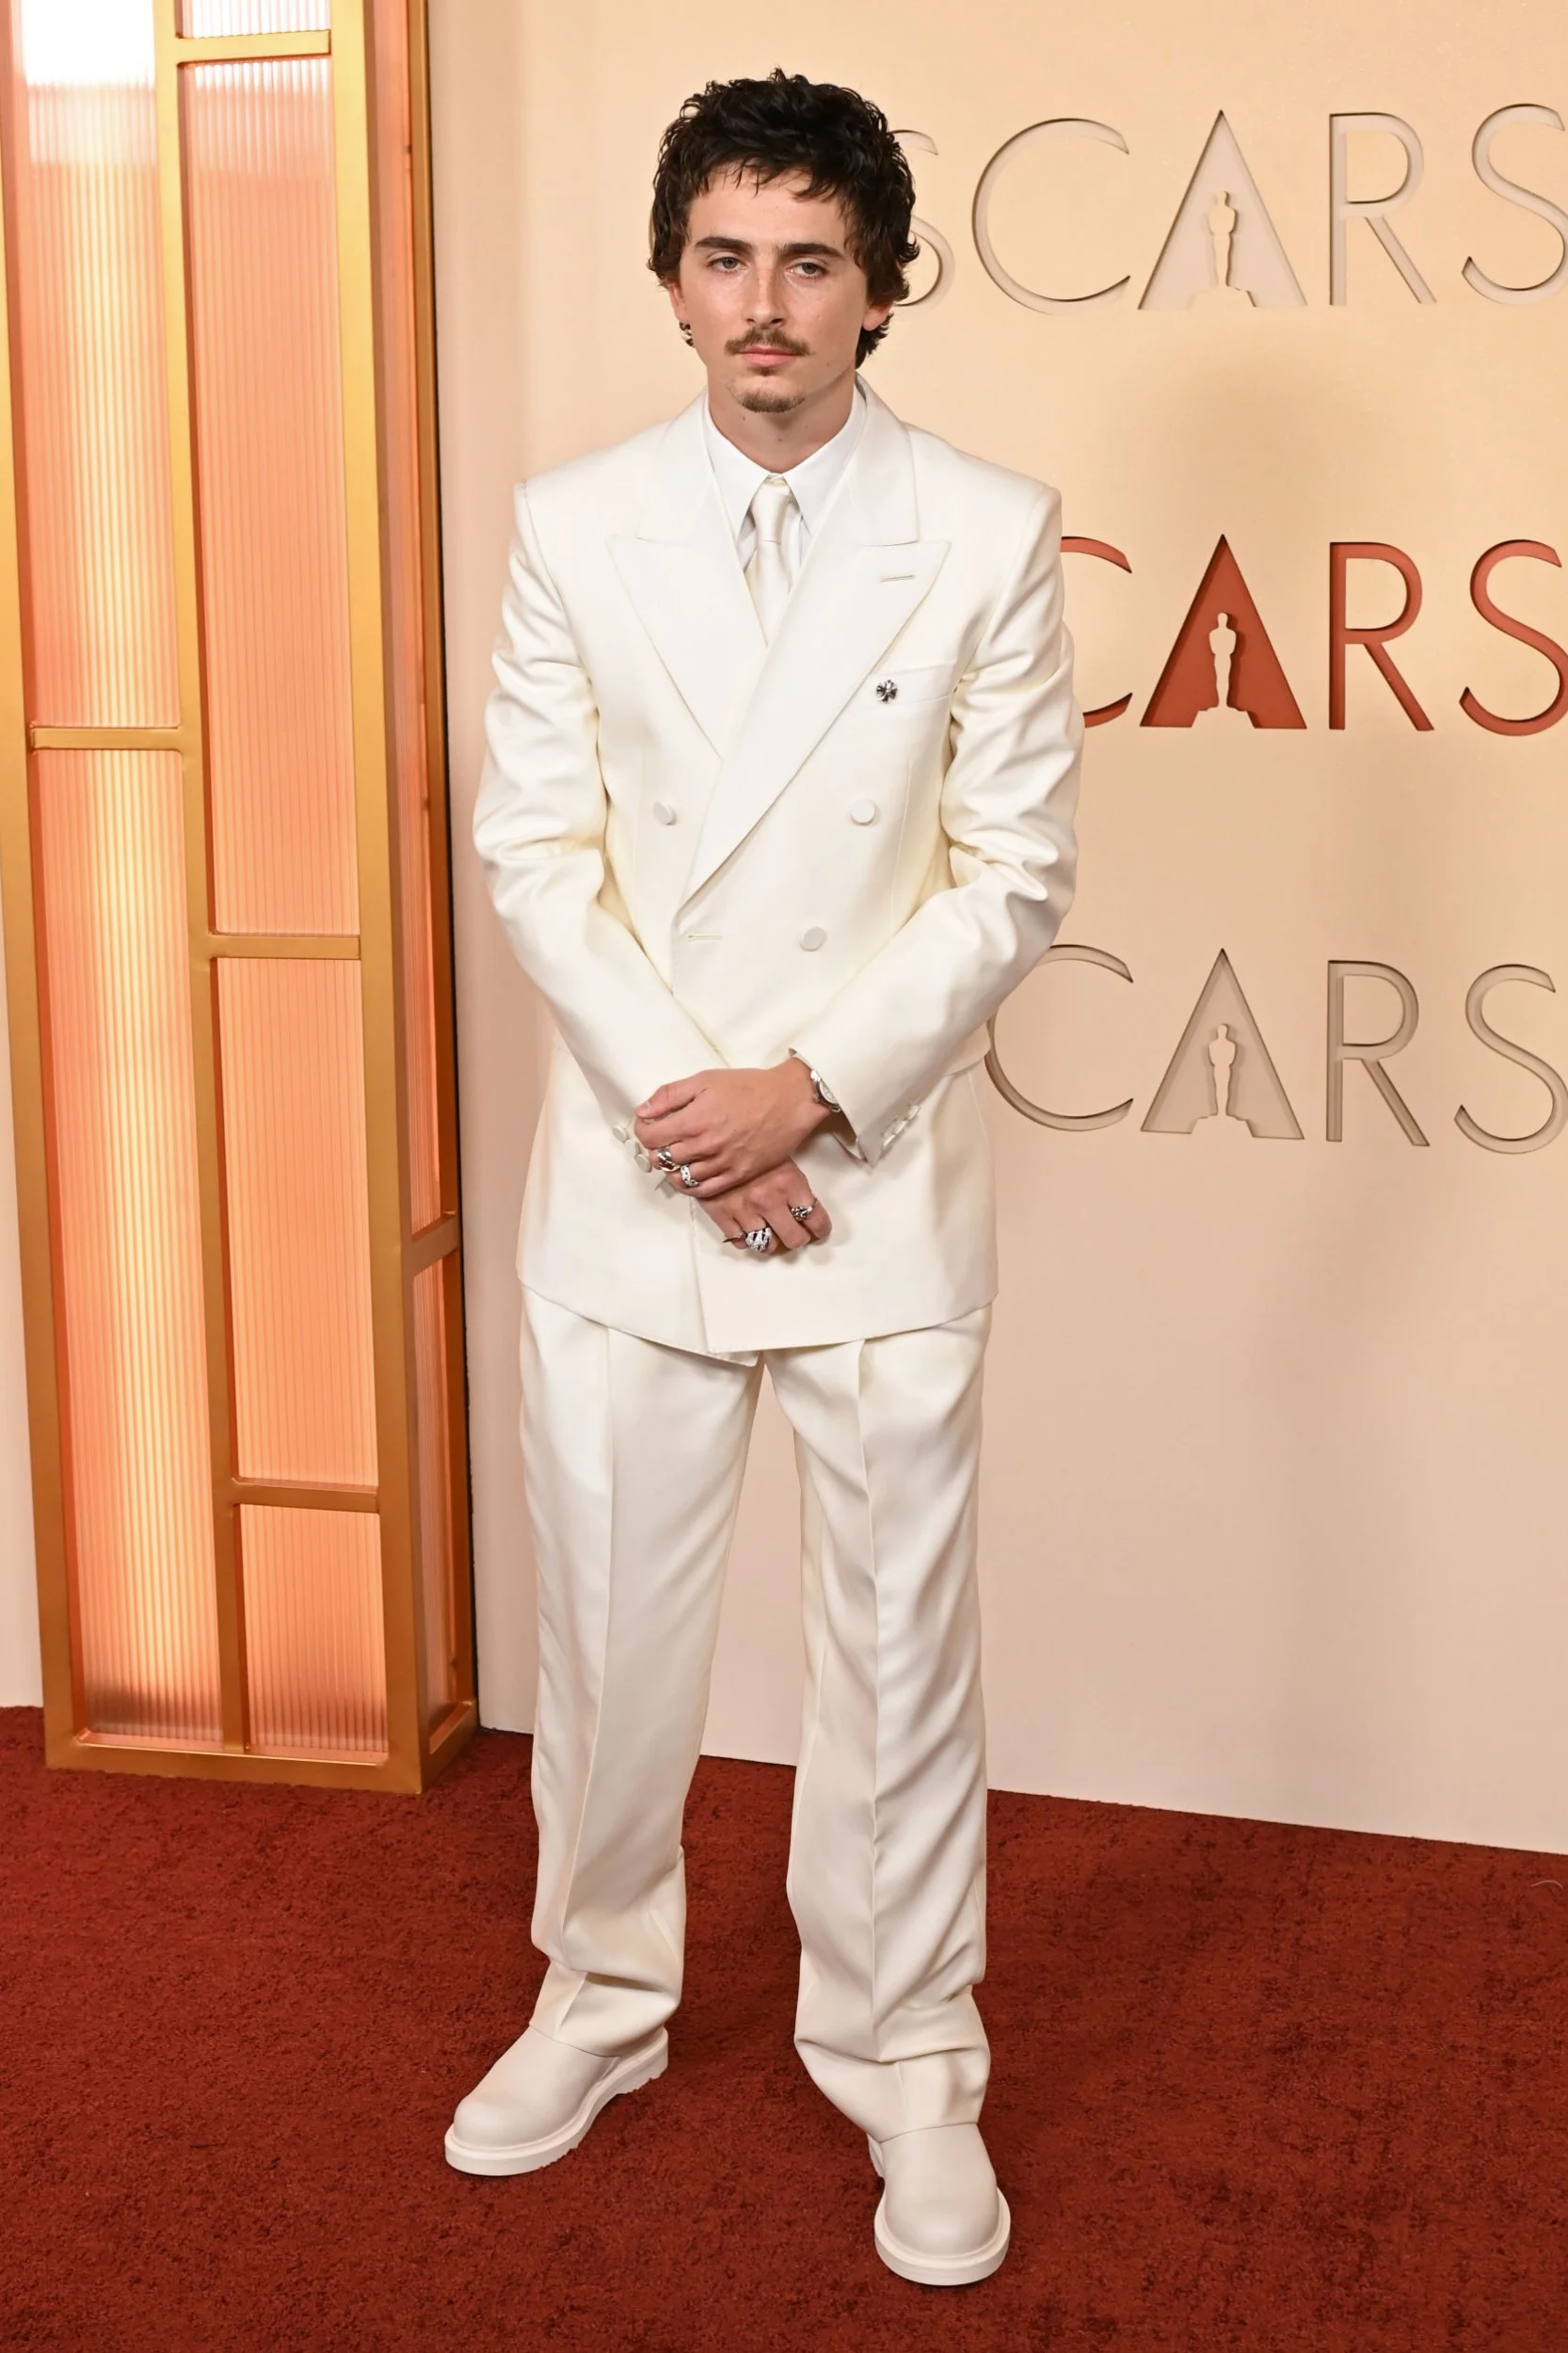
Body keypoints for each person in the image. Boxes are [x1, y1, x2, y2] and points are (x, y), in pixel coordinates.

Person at [455, 69, 1081, 2288]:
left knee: (900, 1654)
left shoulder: (989, 526)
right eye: (724, 255)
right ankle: (597, 1996)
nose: (763, 303)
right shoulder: (571, 520)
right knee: (614, 1641)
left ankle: (911, 2057)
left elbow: (1010, 878)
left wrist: (805, 1091)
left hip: (876, 1175)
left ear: (879, 290)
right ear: (668, 282)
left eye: (809, 258)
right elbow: (533, 850)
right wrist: (687, 1112)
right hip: (641, 1178)